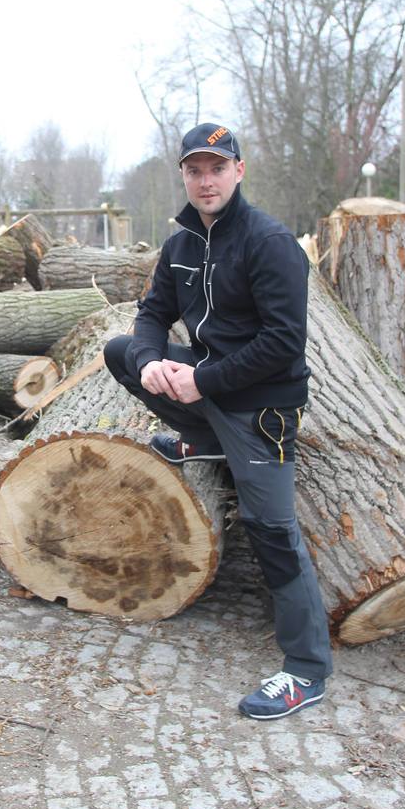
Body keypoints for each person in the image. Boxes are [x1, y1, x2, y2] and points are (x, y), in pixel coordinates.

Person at [102, 122, 332, 720]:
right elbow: (152, 312)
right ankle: (203, 442)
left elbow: (283, 344)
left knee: (272, 529)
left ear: (239, 171)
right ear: (183, 174)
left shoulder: (269, 242)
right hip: (207, 386)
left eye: (217, 168)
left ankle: (307, 669)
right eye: (195, 170)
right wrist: (154, 360)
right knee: (121, 353)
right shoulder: (181, 245)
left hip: (261, 406)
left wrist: (201, 380)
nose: (206, 181)